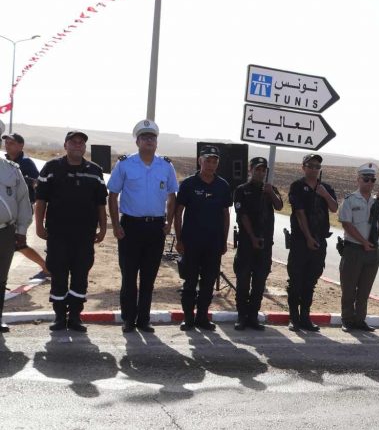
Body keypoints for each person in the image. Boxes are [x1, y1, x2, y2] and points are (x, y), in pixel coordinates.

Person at [107, 119, 178, 333]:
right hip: (130, 227)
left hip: (155, 228)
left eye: (152, 137)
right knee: (129, 276)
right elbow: (112, 195)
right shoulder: (125, 164)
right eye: (144, 137)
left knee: (149, 277)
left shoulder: (166, 166)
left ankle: (144, 319)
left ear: (156, 142)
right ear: (137, 141)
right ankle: (129, 319)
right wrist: (116, 225)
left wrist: (169, 223)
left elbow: (172, 196)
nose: (149, 140)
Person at [34, 130, 107, 332]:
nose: (77, 145)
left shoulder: (95, 170)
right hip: (57, 234)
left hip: (85, 235)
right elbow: (41, 200)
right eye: (73, 142)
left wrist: (103, 228)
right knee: (58, 274)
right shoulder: (51, 167)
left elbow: (101, 203)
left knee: (80, 275)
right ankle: (59, 316)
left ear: (85, 147)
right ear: (65, 145)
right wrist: (39, 225)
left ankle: (75, 317)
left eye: (81, 143)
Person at [173, 146, 232, 331]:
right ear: (200, 161)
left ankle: (202, 317)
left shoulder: (223, 185)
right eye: (208, 160)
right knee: (190, 282)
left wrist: (224, 240)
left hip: (213, 243)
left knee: (208, 282)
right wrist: (179, 239)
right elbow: (178, 213)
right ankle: (188, 318)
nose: (211, 165)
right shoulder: (189, 184)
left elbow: (226, 215)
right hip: (191, 242)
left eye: (215, 161)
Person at [287, 153, 338, 332]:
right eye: (311, 166)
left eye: (317, 166)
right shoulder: (297, 186)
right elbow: (299, 213)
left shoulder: (326, 187)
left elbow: (334, 208)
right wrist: (308, 237)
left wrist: (325, 194)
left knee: (310, 280)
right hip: (301, 241)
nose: (314, 169)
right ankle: (294, 318)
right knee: (296, 281)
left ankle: (305, 317)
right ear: (303, 167)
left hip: (319, 240)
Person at [339, 162, 379, 332]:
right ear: (358, 180)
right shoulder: (350, 200)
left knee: (364, 289)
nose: (369, 182)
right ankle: (347, 319)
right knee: (349, 288)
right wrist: (363, 242)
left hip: (372, 251)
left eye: (372, 180)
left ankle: (360, 320)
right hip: (354, 249)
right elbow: (347, 224)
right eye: (366, 179)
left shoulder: (378, 202)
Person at [232, 157, 282, 331]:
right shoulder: (241, 190)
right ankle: (241, 316)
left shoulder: (270, 189)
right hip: (247, 244)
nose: (260, 173)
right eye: (257, 169)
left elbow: (279, 206)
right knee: (243, 281)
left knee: (260, 282)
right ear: (250, 170)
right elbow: (242, 215)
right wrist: (252, 237)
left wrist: (271, 192)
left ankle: (253, 316)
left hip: (265, 244)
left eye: (263, 170)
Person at [0, 121, 32, 334]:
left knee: (1, 276)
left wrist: (21, 231)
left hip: (5, 231)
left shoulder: (11, 169)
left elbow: (23, 201)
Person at [3, 131, 48, 278]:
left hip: (22, 208)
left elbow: (37, 182)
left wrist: (23, 178)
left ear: (20, 146)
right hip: (9, 209)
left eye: (11, 143)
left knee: (17, 243)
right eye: (6, 142)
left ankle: (46, 267)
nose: (7, 145)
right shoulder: (5, 162)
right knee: (14, 244)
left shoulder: (26, 163)